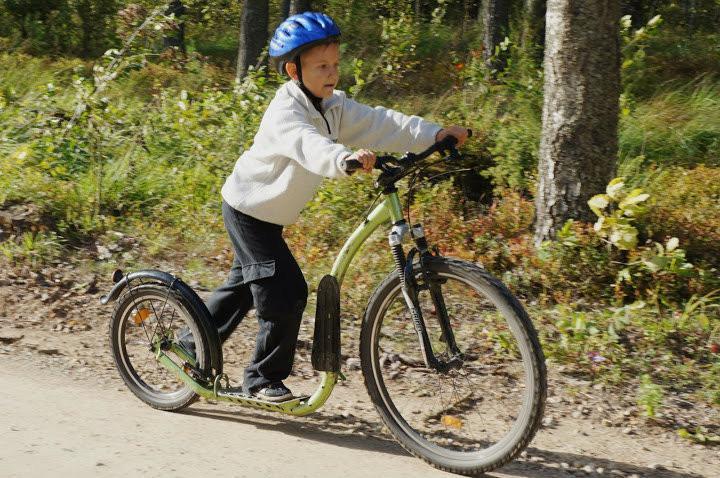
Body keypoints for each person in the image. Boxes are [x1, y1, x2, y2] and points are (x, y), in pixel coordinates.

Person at [194, 12, 469, 402]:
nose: (332, 73)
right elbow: (309, 145)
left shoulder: (333, 105)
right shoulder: (285, 112)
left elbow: (382, 123)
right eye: (321, 65)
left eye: (336, 64)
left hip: (271, 216)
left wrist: (435, 133)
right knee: (284, 291)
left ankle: (191, 344)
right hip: (247, 210)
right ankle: (260, 379)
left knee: (242, 288)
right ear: (293, 70)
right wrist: (344, 160)